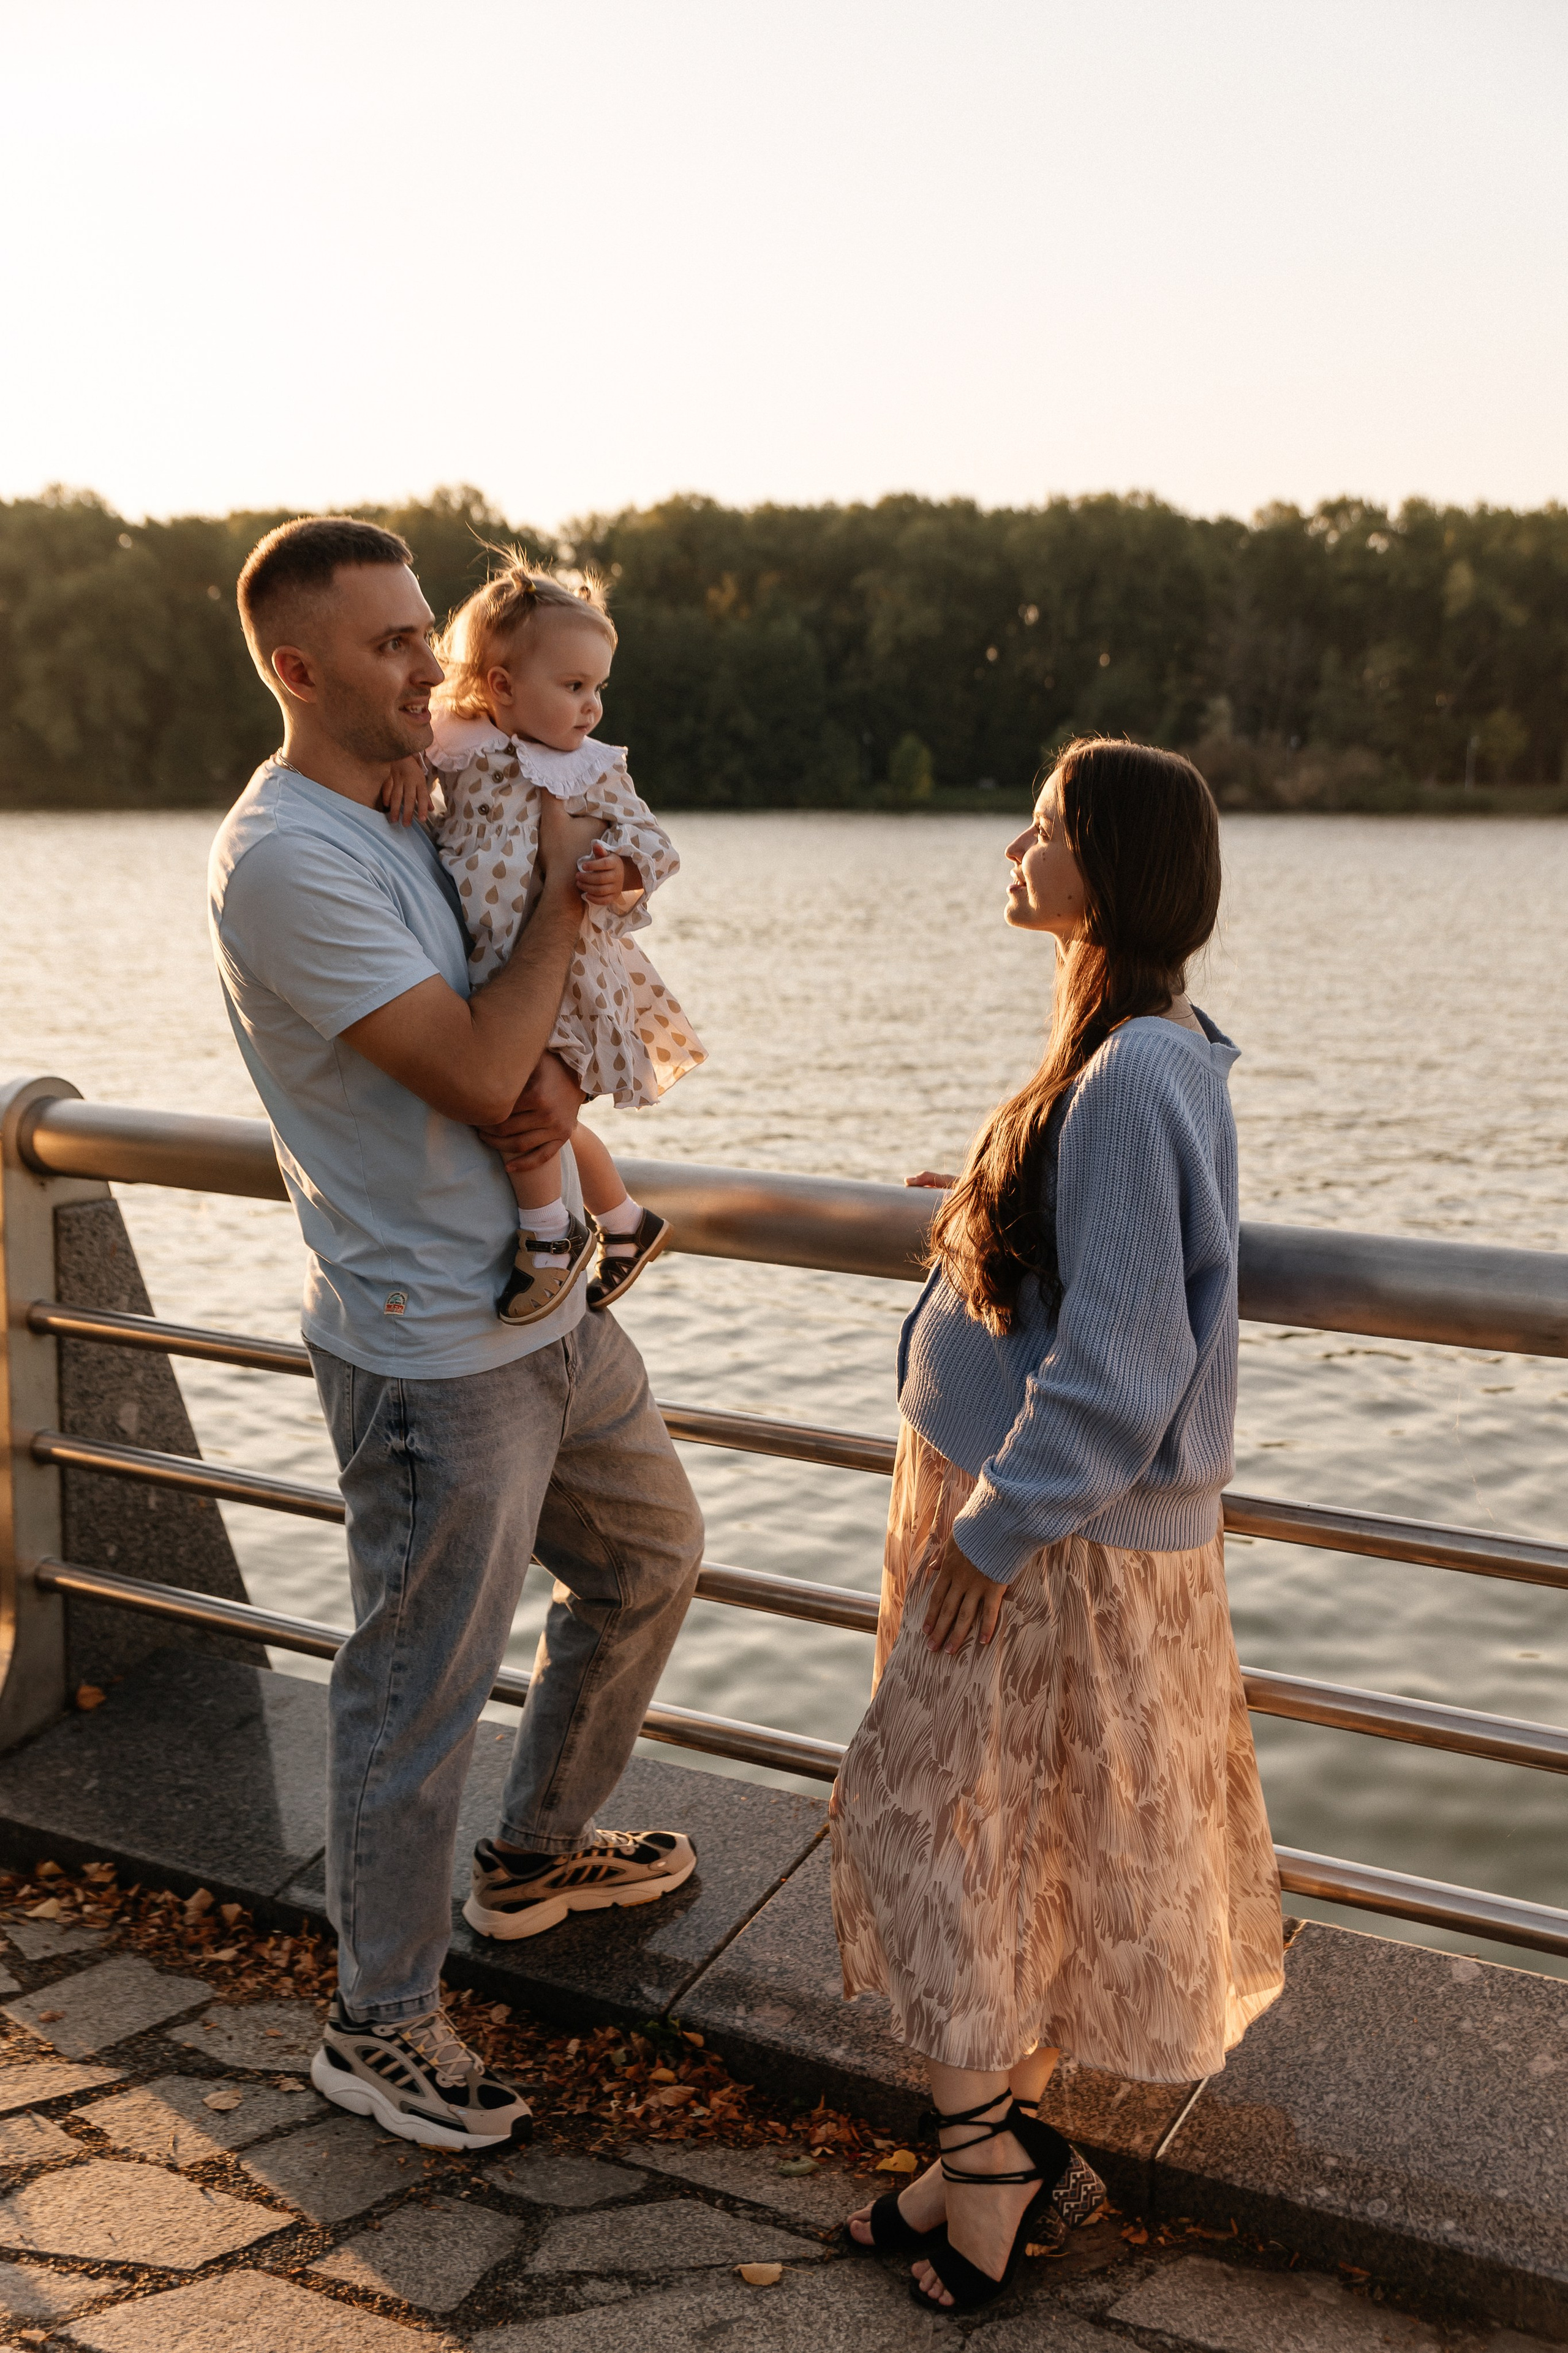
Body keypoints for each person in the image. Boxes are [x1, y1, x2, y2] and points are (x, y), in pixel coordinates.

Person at [208, 516, 705, 2155]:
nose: (433, 665)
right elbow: (487, 1073)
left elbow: (522, 1037)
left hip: (547, 1301)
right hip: (433, 1346)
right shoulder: (289, 862)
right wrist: (572, 903)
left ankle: (537, 1851)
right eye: (390, 646)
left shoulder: (425, 801)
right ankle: (381, 2024)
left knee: (649, 1555)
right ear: (296, 668)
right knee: (417, 1692)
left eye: (428, 633)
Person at [829, 738, 1284, 2313]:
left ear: (1111, 864)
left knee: (918, 1827)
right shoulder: (1116, 1051)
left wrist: (989, 1533)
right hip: (1046, 1527)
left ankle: (996, 2169)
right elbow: (1096, 1256)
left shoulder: (1136, 1068)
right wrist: (979, 1194)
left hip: (1047, 1543)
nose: (1010, 851)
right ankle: (969, 2159)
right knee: (1016, 1850)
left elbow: (1122, 1361)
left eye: (1040, 829)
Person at [383, 552, 704, 1325]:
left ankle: (550, 1240)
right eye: (573, 688)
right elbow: (398, 755)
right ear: (500, 686)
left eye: (597, 688)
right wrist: (400, 766)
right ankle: (624, 1219)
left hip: (564, 973)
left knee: (524, 1110)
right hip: (489, 966)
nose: (591, 707)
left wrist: (621, 870)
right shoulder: (453, 743)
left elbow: (657, 846)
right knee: (542, 1117)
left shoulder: (588, 769)